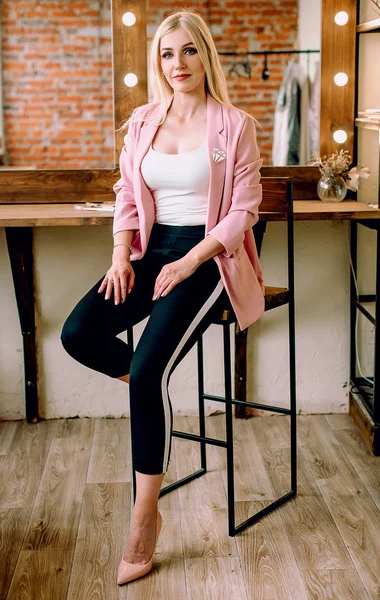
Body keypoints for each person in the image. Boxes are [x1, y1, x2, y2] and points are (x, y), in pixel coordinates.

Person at [60, 9, 265, 586]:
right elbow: (128, 191)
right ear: (159, 62)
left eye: (189, 51)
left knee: (148, 374)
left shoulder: (234, 124)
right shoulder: (143, 121)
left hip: (206, 259)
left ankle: (144, 516)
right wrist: (122, 254)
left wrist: (190, 260)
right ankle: (149, 381)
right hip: (148, 253)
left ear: (206, 56)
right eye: (168, 54)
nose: (179, 64)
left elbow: (244, 211)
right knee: (78, 333)